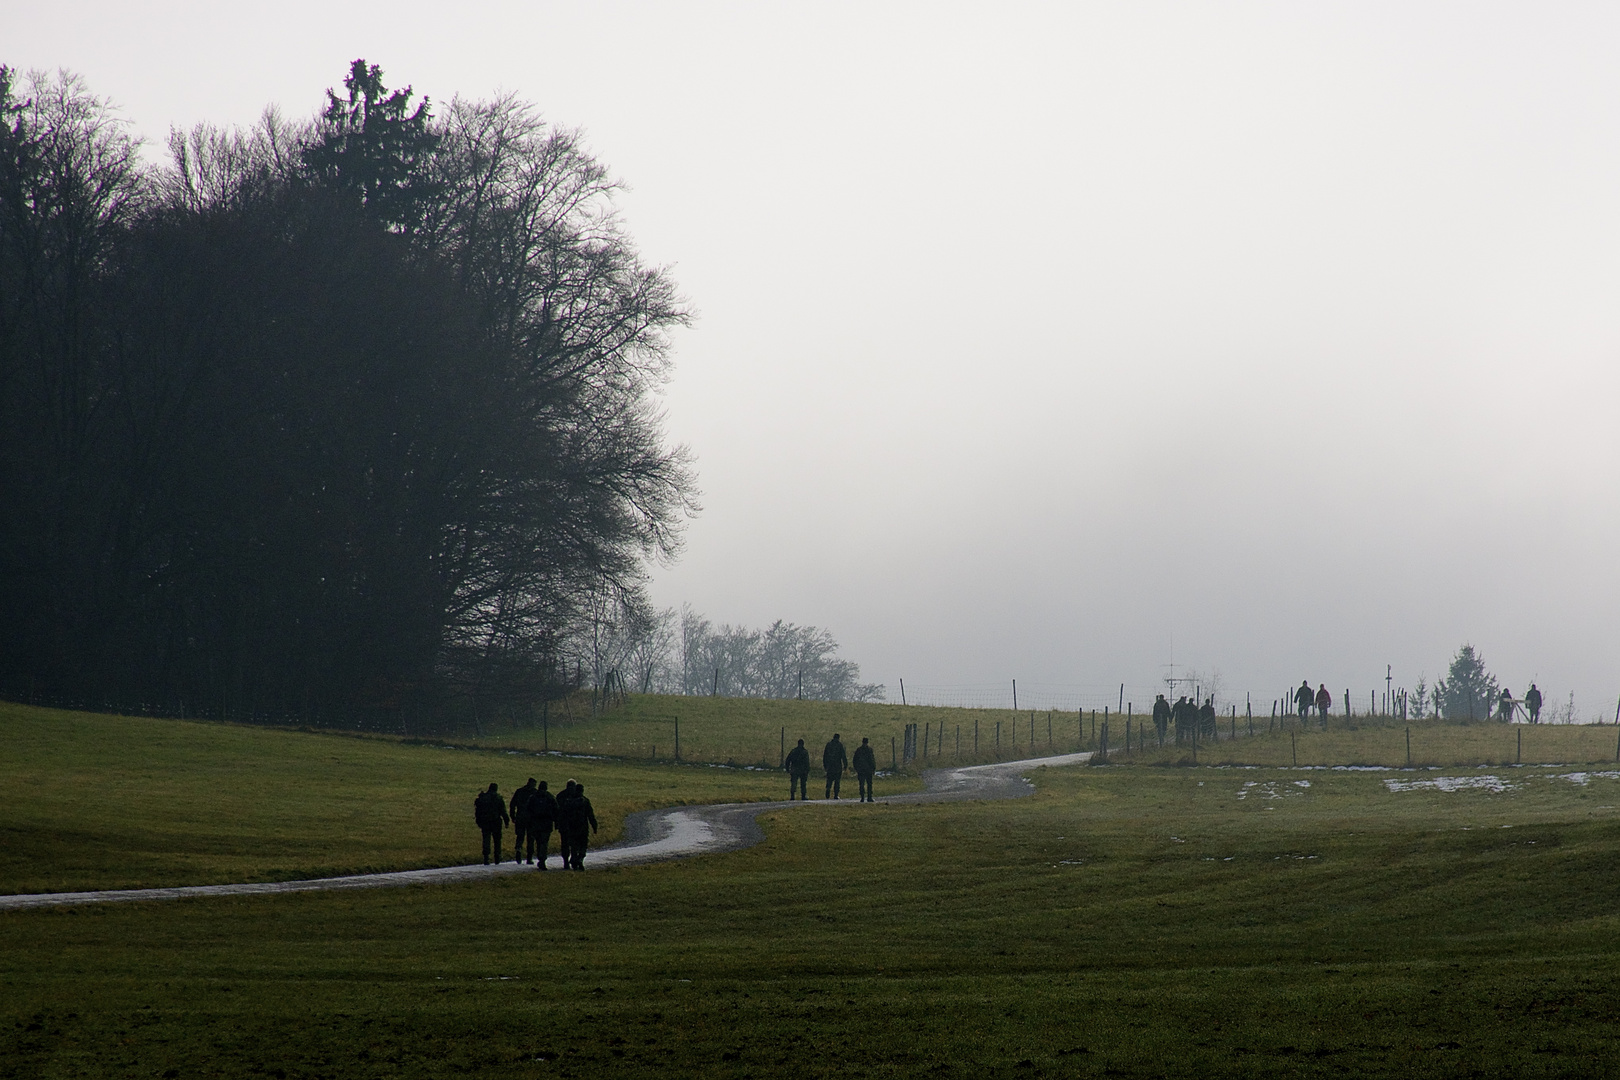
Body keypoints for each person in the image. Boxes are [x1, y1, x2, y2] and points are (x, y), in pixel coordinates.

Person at [560, 782, 598, 870]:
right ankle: (580, 858)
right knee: (583, 845)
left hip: (571, 827)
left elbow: (563, 815)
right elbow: (590, 815)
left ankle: (574, 858)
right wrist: (594, 826)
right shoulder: (585, 801)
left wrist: (563, 826)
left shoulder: (569, 801)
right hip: (583, 827)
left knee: (573, 845)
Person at [473, 782, 509, 865]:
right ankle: (497, 857)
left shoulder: (483, 797)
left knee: (486, 839)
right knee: (497, 840)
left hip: (485, 821)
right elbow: (503, 811)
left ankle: (486, 857)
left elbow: (478, 810)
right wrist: (506, 821)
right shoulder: (498, 798)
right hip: (496, 821)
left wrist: (478, 821)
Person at [528, 780, 559, 869]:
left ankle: (540, 857)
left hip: (536, 823)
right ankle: (542, 859)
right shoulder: (550, 797)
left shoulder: (533, 797)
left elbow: (528, 809)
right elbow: (556, 810)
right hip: (547, 823)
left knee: (538, 842)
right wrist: (556, 822)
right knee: (544, 842)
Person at [510, 778, 538, 864]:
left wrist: (513, 816)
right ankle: (529, 858)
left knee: (520, 836)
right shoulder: (535, 793)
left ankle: (518, 849)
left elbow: (512, 804)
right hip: (531, 819)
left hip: (520, 817)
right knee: (530, 838)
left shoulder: (519, 791)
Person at [556, 780, 578, 868]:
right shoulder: (577, 796)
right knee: (574, 843)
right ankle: (573, 859)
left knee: (565, 843)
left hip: (564, 824)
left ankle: (566, 861)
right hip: (573, 824)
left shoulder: (560, 796)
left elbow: (556, 811)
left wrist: (557, 823)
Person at [822, 733, 849, 799]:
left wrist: (825, 765)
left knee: (829, 780)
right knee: (837, 781)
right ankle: (836, 795)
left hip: (830, 766)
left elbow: (825, 756)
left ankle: (828, 791)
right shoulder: (839, 745)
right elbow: (843, 756)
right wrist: (845, 765)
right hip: (837, 766)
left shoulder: (828, 745)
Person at [852, 737, 878, 802]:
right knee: (869, 784)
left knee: (861, 784)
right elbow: (872, 760)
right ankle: (869, 797)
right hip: (868, 770)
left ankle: (862, 797)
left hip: (861, 770)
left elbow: (855, 760)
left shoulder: (859, 750)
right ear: (867, 742)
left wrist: (856, 768)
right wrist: (873, 768)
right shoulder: (869, 750)